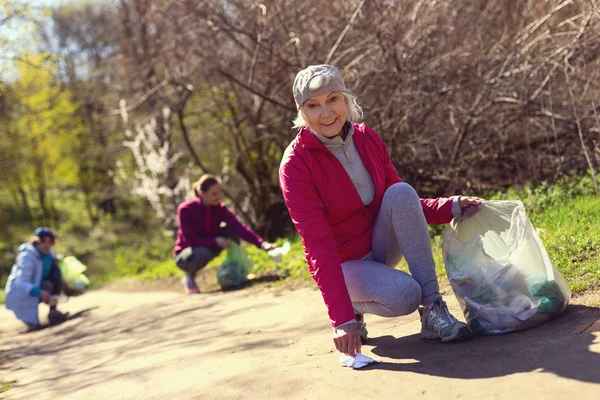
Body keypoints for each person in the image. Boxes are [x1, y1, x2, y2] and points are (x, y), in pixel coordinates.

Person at [279, 65, 484, 357]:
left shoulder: (366, 138)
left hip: (379, 245)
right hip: (345, 264)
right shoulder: (295, 165)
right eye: (313, 106)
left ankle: (434, 310)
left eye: (333, 99)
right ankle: (353, 305)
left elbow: (403, 205)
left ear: (346, 100)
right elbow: (318, 245)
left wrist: (449, 206)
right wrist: (342, 319)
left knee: (400, 191)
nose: (326, 113)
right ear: (302, 112)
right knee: (404, 295)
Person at [174, 174, 277, 294]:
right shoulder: (186, 210)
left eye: (219, 193)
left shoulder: (219, 209)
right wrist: (215, 240)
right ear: (202, 193)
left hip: (209, 246)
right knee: (204, 252)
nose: (218, 197)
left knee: (230, 231)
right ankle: (189, 277)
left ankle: (238, 272)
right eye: (214, 194)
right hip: (185, 255)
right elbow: (190, 240)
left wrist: (262, 244)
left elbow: (239, 228)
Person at [4, 227, 69, 331]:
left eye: (50, 241)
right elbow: (21, 282)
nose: (47, 244)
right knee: (33, 324)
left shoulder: (50, 252)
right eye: (43, 241)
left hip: (42, 285)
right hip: (24, 292)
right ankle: (31, 322)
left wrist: (56, 264)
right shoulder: (26, 256)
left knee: (55, 275)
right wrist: (39, 292)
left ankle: (53, 311)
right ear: (36, 241)